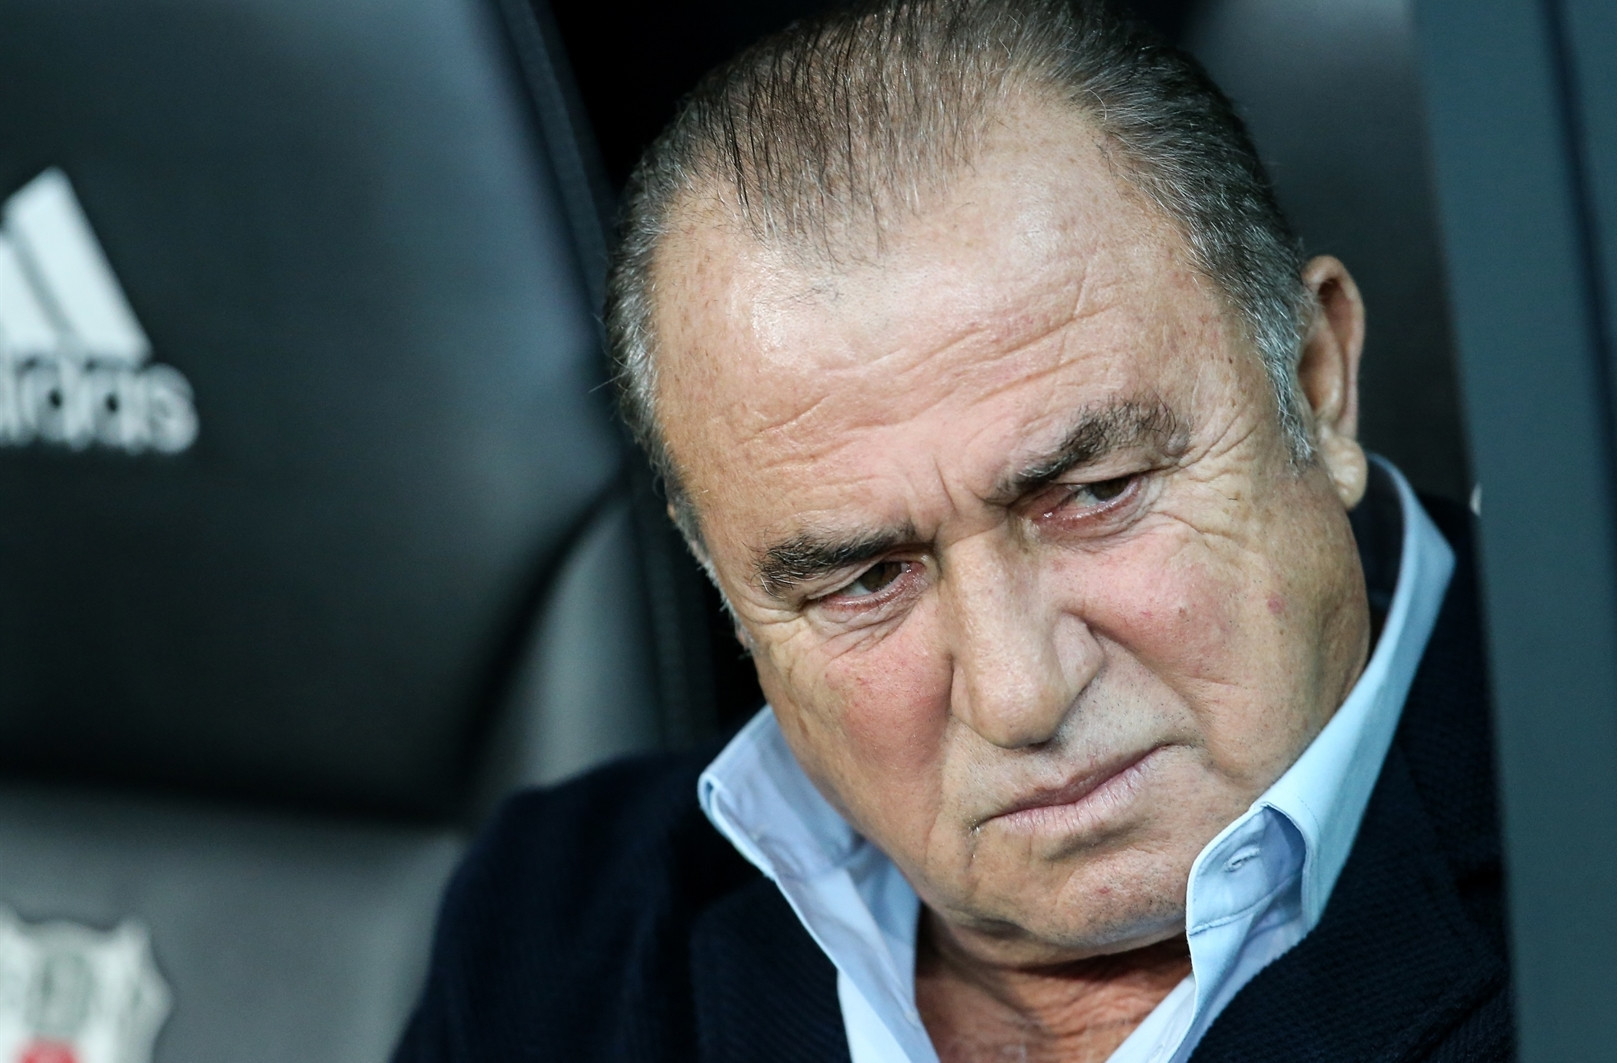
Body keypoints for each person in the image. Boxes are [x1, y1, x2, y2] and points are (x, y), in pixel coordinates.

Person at [394, 0, 1509, 1060]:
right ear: (719, 574)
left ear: (1315, 382)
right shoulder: (549, 937)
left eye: (1095, 495)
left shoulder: (1612, 878)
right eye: (866, 578)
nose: (1019, 697)